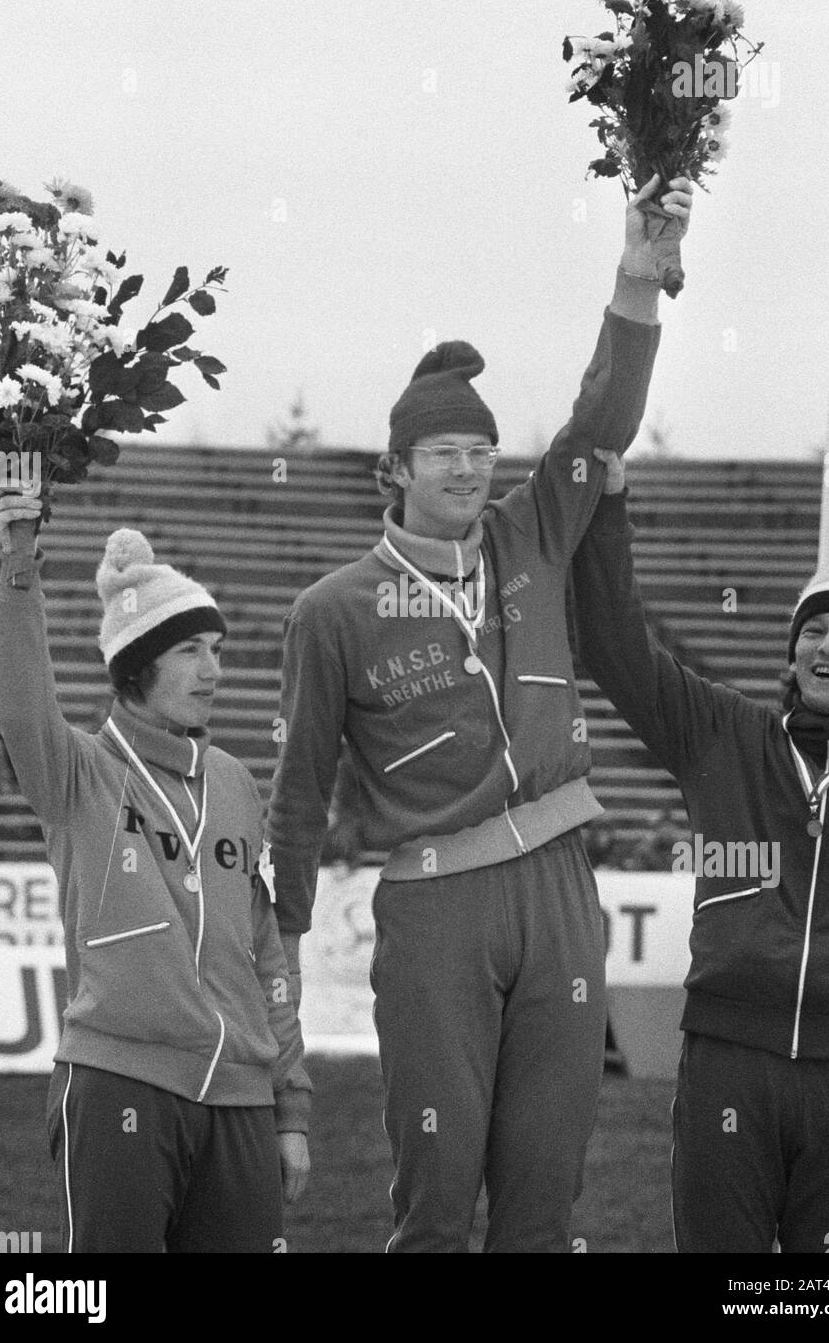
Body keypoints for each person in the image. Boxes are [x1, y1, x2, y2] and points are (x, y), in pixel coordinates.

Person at [263, 174, 693, 1252]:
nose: (468, 466)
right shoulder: (334, 610)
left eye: (479, 449)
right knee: (438, 1196)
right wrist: (279, 927)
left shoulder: (529, 536)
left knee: (547, 1192)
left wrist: (634, 283)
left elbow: (598, 420)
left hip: (558, 883)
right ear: (393, 470)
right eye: (444, 453)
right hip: (433, 903)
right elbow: (303, 784)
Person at [572, 448, 829, 1253]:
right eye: (813, 629)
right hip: (728, 1061)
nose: (827, 645)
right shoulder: (724, 733)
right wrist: (608, 511)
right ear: (791, 651)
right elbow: (617, 649)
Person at [0, 487, 311, 1254]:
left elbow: (265, 955)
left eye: (219, 651)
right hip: (118, 1081)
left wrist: (290, 1106)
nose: (213, 670)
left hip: (239, 1098)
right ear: (136, 668)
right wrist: (19, 562)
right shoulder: (80, 775)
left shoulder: (234, 781)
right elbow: (23, 703)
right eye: (190, 651)